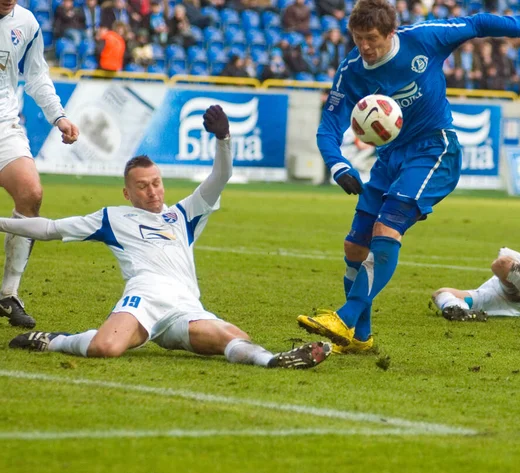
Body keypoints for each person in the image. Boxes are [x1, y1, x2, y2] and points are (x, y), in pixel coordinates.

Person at [296, 0, 520, 352]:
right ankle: (360, 338)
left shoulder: (423, 38)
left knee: (386, 229)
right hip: (389, 159)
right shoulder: (351, 70)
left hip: (434, 149)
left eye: (372, 38)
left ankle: (345, 318)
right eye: (358, 38)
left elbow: (478, 23)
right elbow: (328, 128)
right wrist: (339, 165)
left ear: (390, 33)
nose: (365, 46)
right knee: (355, 245)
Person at [7, 105, 331, 369]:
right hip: (144, 299)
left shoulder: (184, 214)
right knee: (105, 347)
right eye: (142, 186)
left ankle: (272, 360)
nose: (152, 191)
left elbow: (222, 176)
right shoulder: (112, 217)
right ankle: (55, 340)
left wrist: (224, 138)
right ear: (127, 193)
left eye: (156, 182)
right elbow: (49, 228)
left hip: (185, 306)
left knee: (232, 335)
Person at [0, 0, 79, 328]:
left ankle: (8, 294)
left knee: (31, 193)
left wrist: (58, 116)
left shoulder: (27, 23)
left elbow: (36, 76)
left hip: (4, 125)